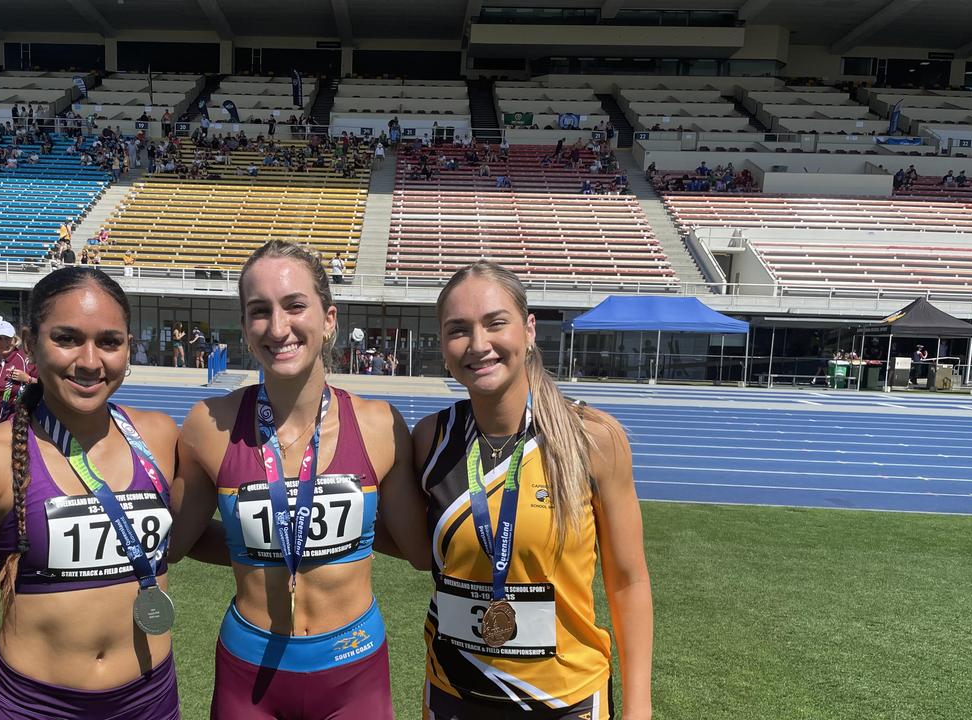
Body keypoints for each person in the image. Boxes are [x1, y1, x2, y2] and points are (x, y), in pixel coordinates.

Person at [168, 240, 429, 720]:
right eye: (259, 311)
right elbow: (174, 543)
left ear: (329, 319)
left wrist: (345, 540)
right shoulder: (209, 426)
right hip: (250, 671)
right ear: (245, 327)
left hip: (355, 668)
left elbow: (419, 551)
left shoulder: (379, 426)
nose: (279, 327)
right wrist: (257, 545)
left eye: (294, 305)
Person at [0, 267, 182, 720]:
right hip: (33, 706)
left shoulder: (160, 438)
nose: (89, 361)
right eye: (67, 338)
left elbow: (195, 536)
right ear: (29, 343)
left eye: (109, 341)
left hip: (151, 703)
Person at [416, 262, 652, 720]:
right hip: (453, 695)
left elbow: (629, 580)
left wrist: (638, 705)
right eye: (458, 330)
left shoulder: (592, 440)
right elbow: (401, 540)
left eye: (495, 323)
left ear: (528, 330)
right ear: (444, 345)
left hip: (566, 701)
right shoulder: (430, 439)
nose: (478, 344)